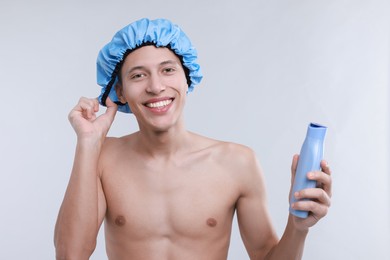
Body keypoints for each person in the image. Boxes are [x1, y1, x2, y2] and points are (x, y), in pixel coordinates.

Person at [54, 18, 332, 260]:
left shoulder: (237, 163)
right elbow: (70, 256)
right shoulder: (103, 157)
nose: (156, 86)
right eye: (138, 75)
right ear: (120, 92)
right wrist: (88, 143)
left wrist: (298, 228)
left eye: (168, 70)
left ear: (187, 77)